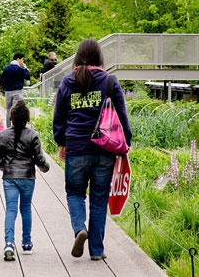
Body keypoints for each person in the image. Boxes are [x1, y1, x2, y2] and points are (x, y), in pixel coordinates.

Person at [52, 38, 132, 261]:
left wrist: (61, 142)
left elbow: (59, 118)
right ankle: (96, 250)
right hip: (104, 150)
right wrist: (126, 144)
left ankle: (80, 229)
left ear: (77, 57)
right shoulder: (109, 82)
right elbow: (122, 116)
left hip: (76, 148)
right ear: (99, 57)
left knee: (75, 193)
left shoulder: (67, 82)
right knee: (98, 199)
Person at [0, 100, 50, 261]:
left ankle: (9, 243)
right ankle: (26, 243)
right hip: (27, 177)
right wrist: (46, 168)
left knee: (11, 210)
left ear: (11, 117)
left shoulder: (3, 135)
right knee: (26, 209)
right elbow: (40, 160)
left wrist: (7, 168)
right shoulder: (33, 135)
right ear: (27, 119)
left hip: (10, 178)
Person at [1, 52, 30, 129]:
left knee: (8, 110)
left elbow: (2, 80)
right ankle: (15, 127)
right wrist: (25, 68)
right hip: (17, 91)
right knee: (16, 110)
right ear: (18, 59)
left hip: (7, 92)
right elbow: (27, 77)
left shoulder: (6, 68)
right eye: (22, 60)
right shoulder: (20, 69)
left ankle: (8, 127)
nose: (22, 62)